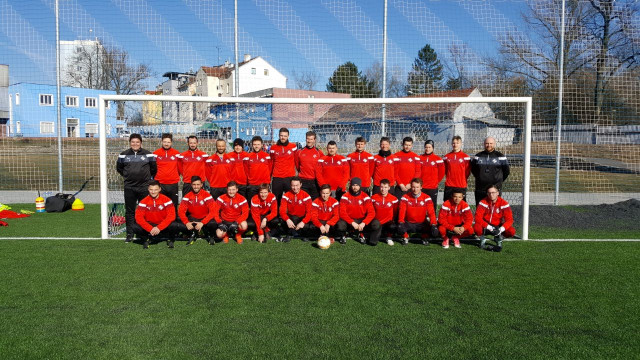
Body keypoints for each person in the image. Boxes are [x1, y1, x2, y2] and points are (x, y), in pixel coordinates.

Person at [117, 133, 157, 243]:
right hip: (129, 187)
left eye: (137, 142)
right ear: (130, 143)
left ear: (141, 143)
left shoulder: (148, 155)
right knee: (130, 211)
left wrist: (146, 179)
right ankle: (130, 233)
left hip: (144, 187)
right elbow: (119, 169)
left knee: (145, 211)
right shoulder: (123, 155)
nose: (135, 144)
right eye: (133, 142)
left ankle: (145, 232)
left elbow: (154, 169)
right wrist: (128, 176)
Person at [132, 180, 180, 249]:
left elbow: (171, 216)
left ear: (160, 189)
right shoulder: (143, 201)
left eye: (155, 189)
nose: (153, 192)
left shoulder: (167, 200)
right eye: (151, 189)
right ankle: (146, 239)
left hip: (162, 224)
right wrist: (150, 228)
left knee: (174, 225)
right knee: (135, 227)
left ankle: (170, 239)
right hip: (150, 225)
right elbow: (139, 218)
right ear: (148, 189)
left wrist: (159, 227)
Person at [336, 177, 380, 245]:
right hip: (349, 221)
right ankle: (343, 235)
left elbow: (372, 212)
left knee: (376, 223)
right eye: (353, 185)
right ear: (350, 185)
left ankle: (363, 234)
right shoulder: (345, 196)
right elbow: (342, 213)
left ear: (360, 186)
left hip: (361, 220)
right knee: (340, 225)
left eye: (357, 185)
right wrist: (352, 222)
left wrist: (364, 223)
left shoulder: (365, 197)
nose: (355, 187)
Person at [177, 176, 218, 246]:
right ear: (191, 185)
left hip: (204, 218)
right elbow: (181, 211)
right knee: (177, 224)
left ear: (201, 185)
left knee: (214, 223)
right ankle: (193, 233)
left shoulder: (207, 195)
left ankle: (209, 234)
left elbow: (213, 211)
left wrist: (202, 223)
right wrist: (187, 223)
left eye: (198, 184)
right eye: (194, 184)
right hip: (192, 218)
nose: (196, 187)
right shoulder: (187, 196)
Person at [397, 178, 439, 246]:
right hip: (409, 222)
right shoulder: (405, 197)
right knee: (399, 226)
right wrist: (401, 222)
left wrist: (434, 224)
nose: (415, 189)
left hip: (421, 223)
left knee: (433, 228)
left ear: (421, 187)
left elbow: (431, 212)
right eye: (413, 187)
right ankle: (405, 237)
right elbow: (402, 211)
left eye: (417, 187)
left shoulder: (426, 197)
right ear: (411, 186)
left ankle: (424, 237)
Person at [474, 185, 516, 252]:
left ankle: (498, 239)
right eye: (489, 193)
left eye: (493, 192)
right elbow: (477, 218)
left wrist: (500, 229)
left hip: (498, 226)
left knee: (511, 231)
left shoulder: (504, 203)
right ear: (487, 193)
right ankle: (482, 239)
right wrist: (489, 227)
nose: (491, 195)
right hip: (486, 226)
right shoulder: (483, 202)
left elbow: (510, 220)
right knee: (477, 227)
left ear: (497, 193)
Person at [471, 136, 510, 206]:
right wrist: (481, 178)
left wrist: (498, 180)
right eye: (487, 143)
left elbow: (506, 171)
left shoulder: (500, 156)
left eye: (491, 143)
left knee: (494, 210)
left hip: (495, 189)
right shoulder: (478, 156)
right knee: (480, 209)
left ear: (494, 144)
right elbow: (473, 170)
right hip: (480, 189)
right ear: (484, 144)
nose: (489, 145)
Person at [153, 133, 182, 213]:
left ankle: (174, 224)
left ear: (171, 143)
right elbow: (152, 168)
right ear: (161, 142)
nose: (166, 144)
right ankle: (161, 224)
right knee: (161, 206)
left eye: (168, 142)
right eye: (165, 142)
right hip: (160, 184)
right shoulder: (156, 154)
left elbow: (180, 168)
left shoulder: (177, 154)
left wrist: (174, 176)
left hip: (173, 184)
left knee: (173, 205)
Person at [278, 177, 313, 242]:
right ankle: (290, 233)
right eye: (293, 185)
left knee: (308, 226)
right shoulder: (286, 195)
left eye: (297, 185)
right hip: (292, 217)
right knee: (283, 221)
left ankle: (301, 233)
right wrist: (287, 220)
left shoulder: (306, 196)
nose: (295, 188)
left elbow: (310, 212)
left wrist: (303, 222)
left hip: (302, 218)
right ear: (290, 185)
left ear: (301, 185)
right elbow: (282, 211)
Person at [270, 128, 298, 202]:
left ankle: (289, 213)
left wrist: (298, 172)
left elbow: (296, 160)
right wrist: (270, 176)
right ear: (279, 136)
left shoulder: (293, 147)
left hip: (289, 177)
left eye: (285, 136)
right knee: (276, 200)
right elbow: (271, 162)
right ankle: (277, 214)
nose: (283, 137)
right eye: (281, 135)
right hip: (277, 177)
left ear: (288, 136)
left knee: (290, 199)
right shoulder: (273, 148)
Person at [243, 136, 273, 202]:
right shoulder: (248, 157)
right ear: (252, 145)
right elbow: (246, 170)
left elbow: (270, 169)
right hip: (252, 184)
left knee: (265, 203)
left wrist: (267, 180)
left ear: (262, 145)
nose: (256, 146)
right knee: (252, 203)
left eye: (258, 144)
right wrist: (250, 179)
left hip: (264, 184)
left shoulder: (267, 156)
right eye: (255, 144)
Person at [370, 179, 399, 246]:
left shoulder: (394, 199)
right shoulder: (373, 198)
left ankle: (389, 236)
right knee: (373, 243)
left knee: (392, 226)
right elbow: (371, 211)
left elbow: (395, 211)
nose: (383, 189)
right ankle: (376, 232)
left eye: (385, 187)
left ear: (389, 188)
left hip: (388, 222)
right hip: (377, 222)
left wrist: (392, 220)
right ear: (379, 187)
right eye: (381, 187)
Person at [443, 135, 471, 202]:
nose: (455, 145)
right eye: (453, 143)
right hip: (449, 184)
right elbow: (445, 170)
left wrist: (462, 178)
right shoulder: (446, 157)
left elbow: (467, 171)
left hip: (461, 185)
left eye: (457, 143)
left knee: (461, 205)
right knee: (447, 204)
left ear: (461, 144)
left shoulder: (466, 157)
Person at [296, 131, 323, 199]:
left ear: (314, 140)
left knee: (315, 202)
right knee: (304, 202)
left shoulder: (319, 153)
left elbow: (322, 167)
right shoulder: (300, 152)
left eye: (311, 139)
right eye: (308, 139)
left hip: (315, 181)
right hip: (303, 181)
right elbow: (297, 166)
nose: (309, 141)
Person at [419, 139, 444, 206]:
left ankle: (432, 217)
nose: (427, 149)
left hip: (432, 187)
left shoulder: (438, 159)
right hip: (422, 186)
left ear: (433, 148)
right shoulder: (420, 158)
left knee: (432, 205)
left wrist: (435, 181)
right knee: (422, 205)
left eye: (429, 147)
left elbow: (441, 173)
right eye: (426, 147)